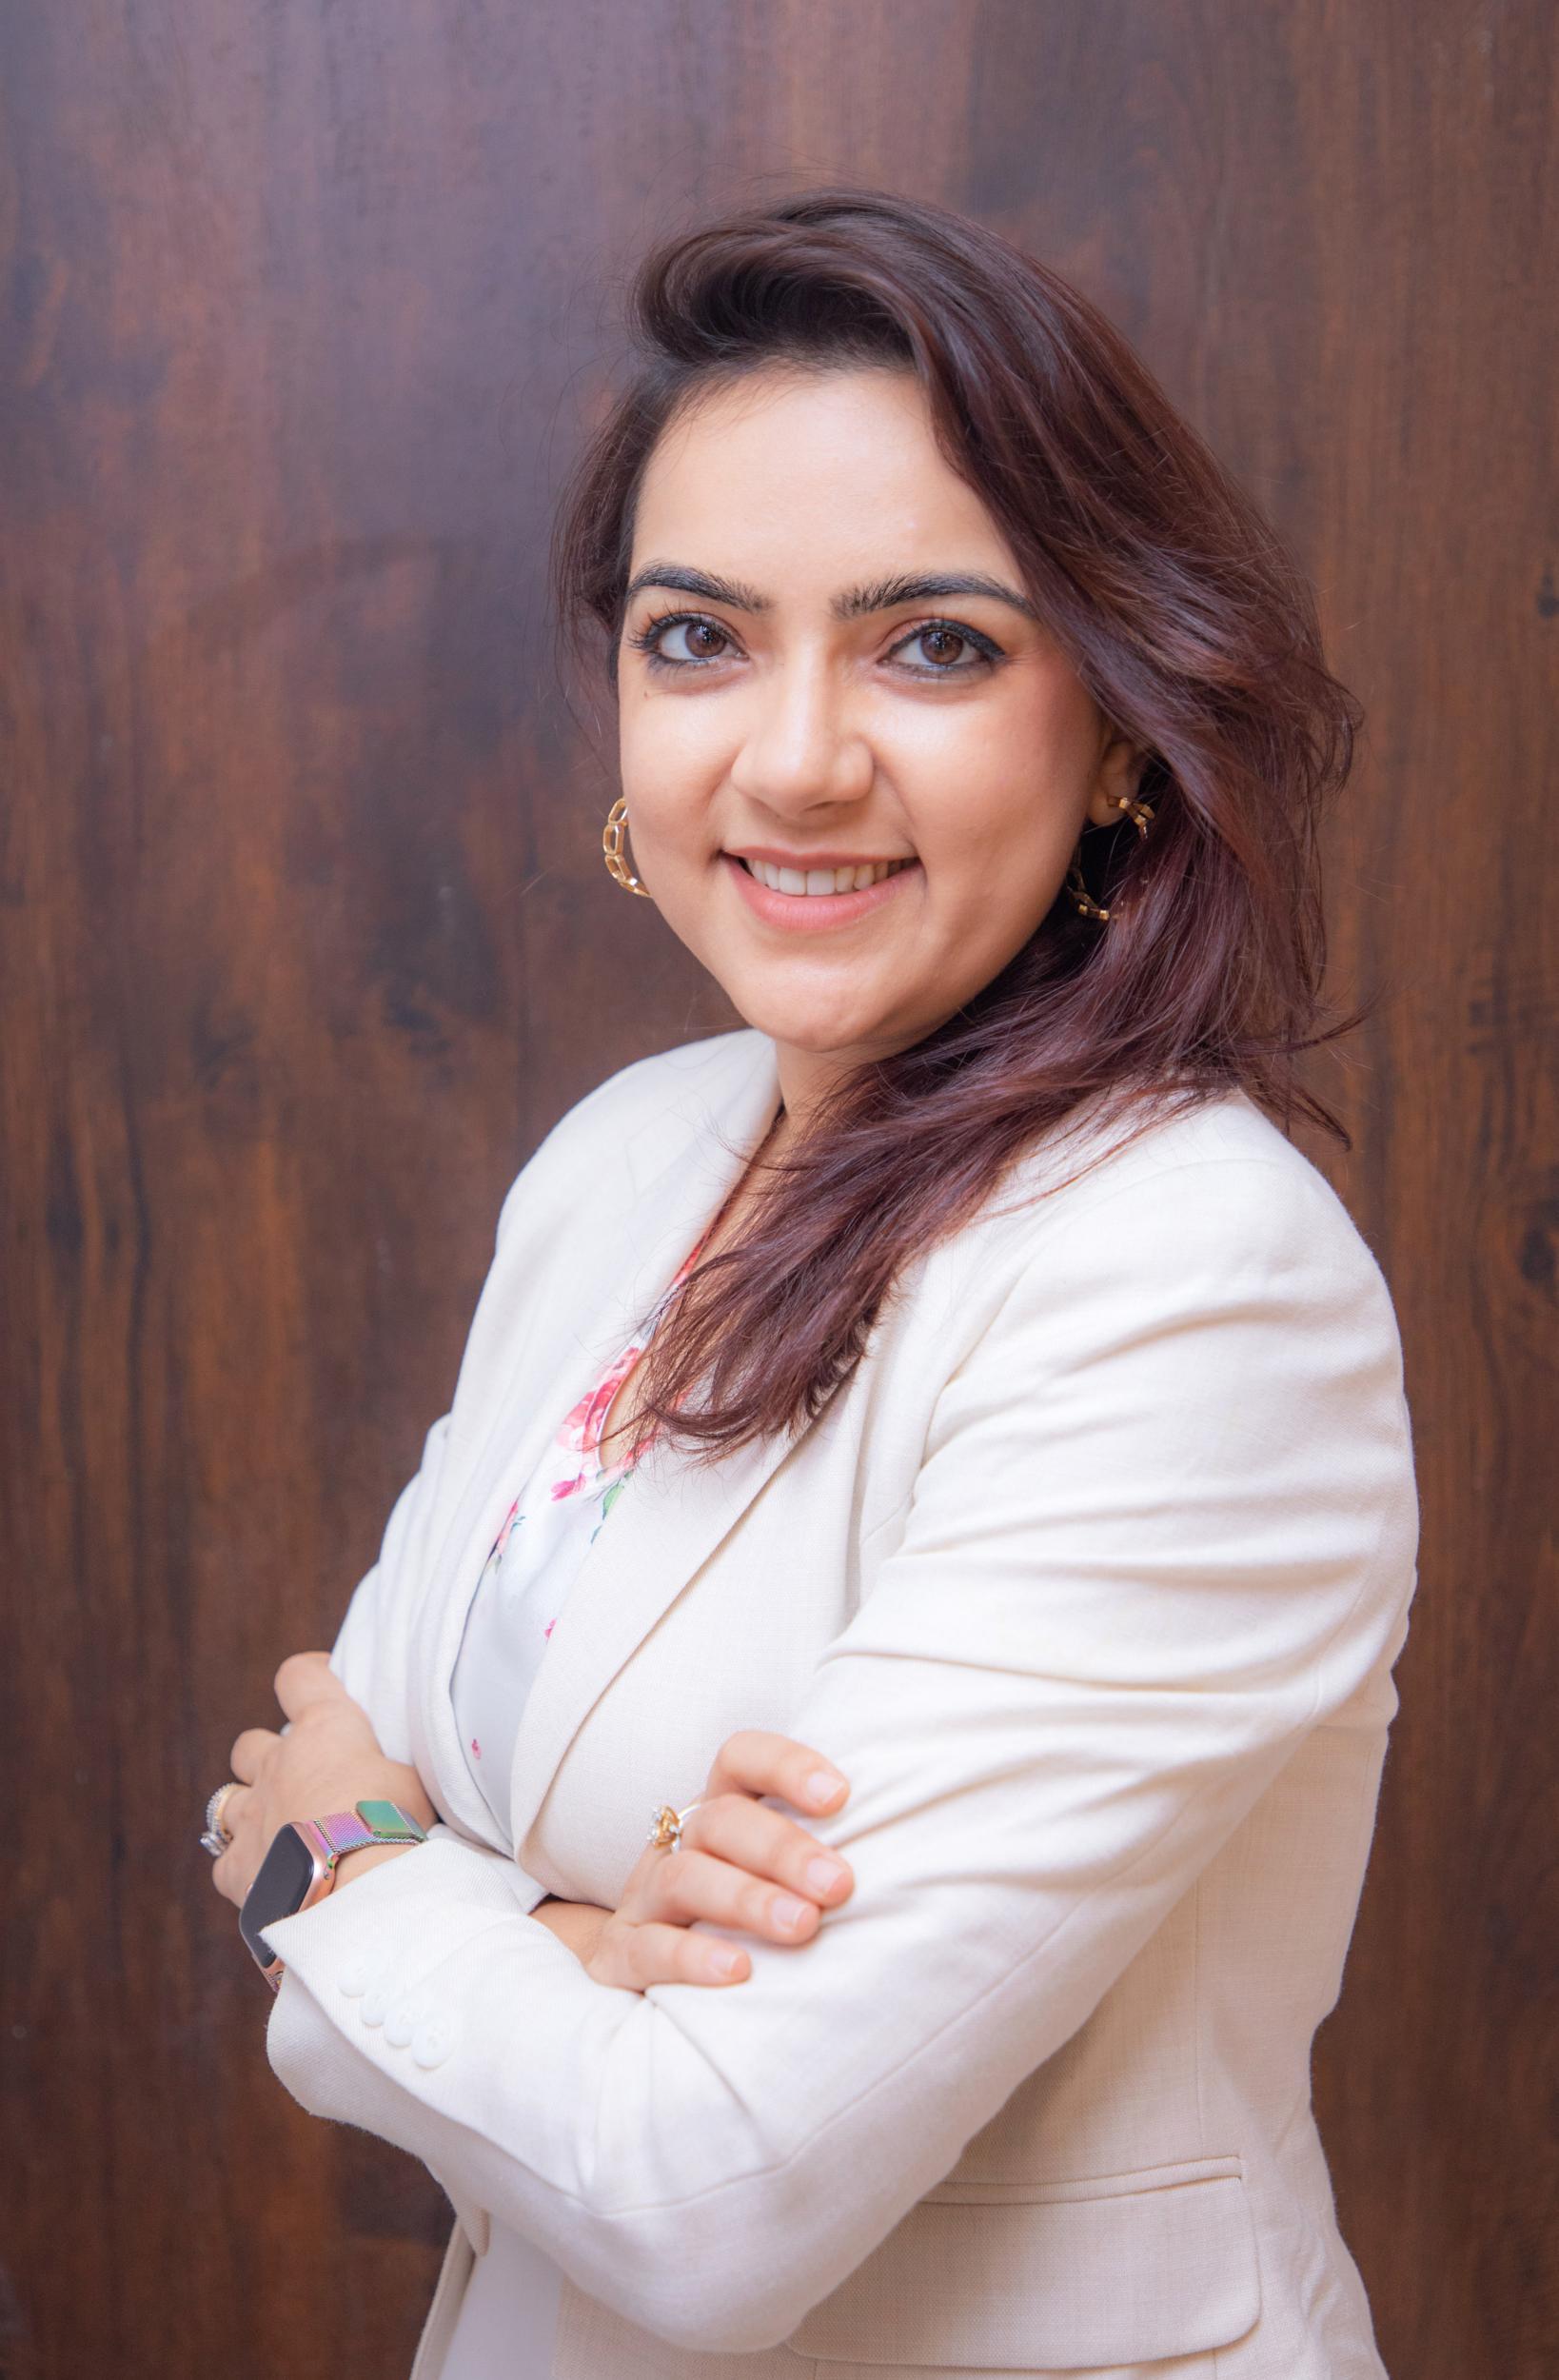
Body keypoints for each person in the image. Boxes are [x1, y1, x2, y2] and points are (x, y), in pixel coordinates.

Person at [204, 187, 1419, 2380]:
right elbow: (337, 1737)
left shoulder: (1190, 1276)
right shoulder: (628, 1156)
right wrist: (562, 1922)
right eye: (700, 637)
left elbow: (701, 2193)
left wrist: (359, 1872)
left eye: (932, 642)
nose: (789, 760)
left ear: (1129, 729)